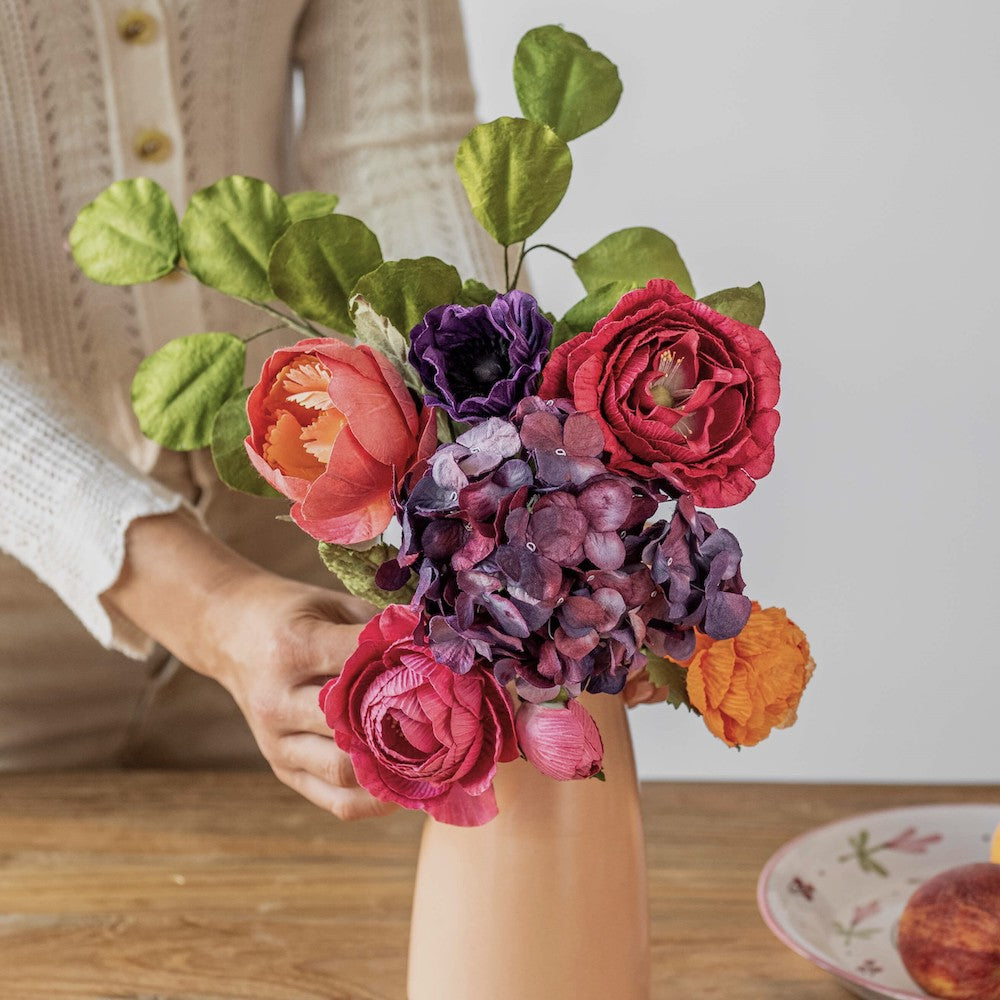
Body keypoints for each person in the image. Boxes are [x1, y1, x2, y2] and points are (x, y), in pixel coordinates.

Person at [0, 0, 505, 818]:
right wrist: (204, 605)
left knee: (325, 932)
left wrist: (497, 462)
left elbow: (397, 139)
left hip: (296, 543)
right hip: (19, 604)